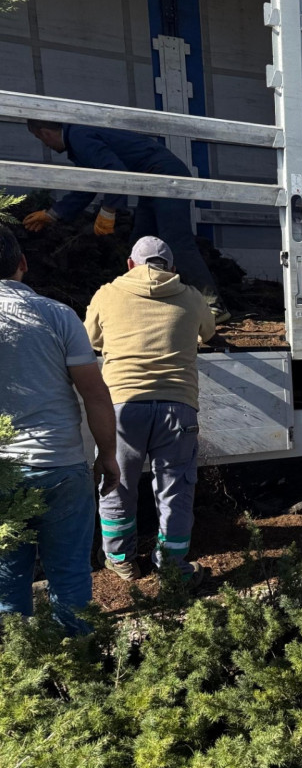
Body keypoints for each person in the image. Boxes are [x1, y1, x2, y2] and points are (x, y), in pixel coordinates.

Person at [0, 228, 119, 632]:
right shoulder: (58, 315)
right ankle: (78, 665)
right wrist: (107, 454)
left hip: (3, 472)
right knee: (70, 576)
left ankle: (19, 674)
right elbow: (95, 395)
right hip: (60, 465)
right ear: (23, 264)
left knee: (7, 581)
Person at [85, 236, 215, 586]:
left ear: (131, 265)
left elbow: (91, 340)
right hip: (178, 408)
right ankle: (172, 567)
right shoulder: (191, 296)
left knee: (116, 483)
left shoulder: (107, 294)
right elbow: (209, 332)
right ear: (171, 268)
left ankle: (121, 561)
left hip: (121, 409)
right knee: (175, 489)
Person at [22, 120, 229, 323]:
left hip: (166, 178)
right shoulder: (79, 138)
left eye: (39, 138)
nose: (44, 144)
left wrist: (109, 209)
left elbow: (115, 170)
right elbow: (89, 183)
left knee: (176, 240)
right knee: (140, 242)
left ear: (44, 133)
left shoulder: (79, 136)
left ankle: (213, 305)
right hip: (151, 181)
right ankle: (148, 301)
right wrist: (54, 214)